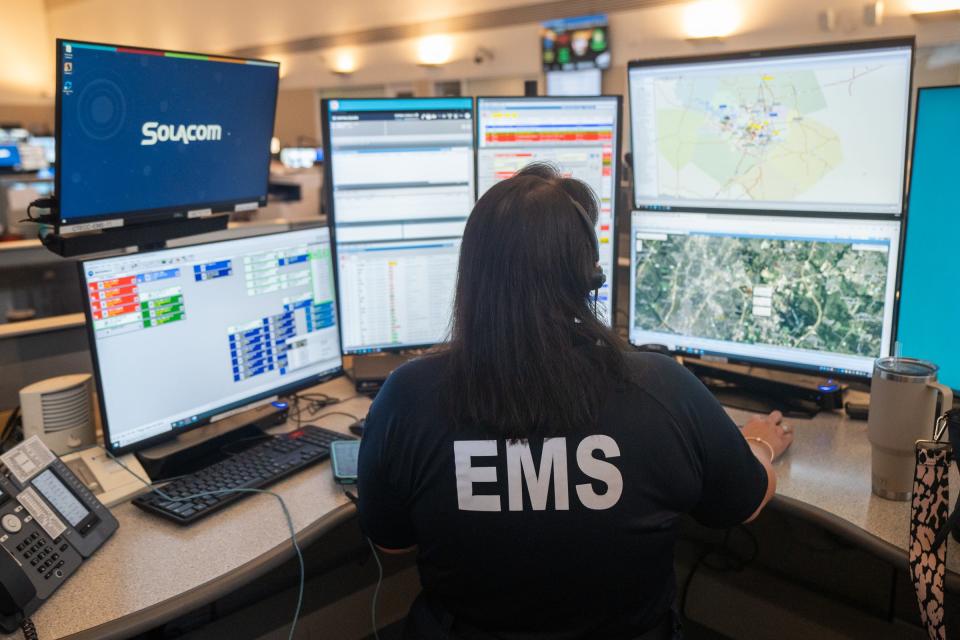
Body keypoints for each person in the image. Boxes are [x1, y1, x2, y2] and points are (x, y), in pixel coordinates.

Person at [357, 163, 793, 639]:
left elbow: (393, 543)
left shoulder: (407, 396)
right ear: (590, 276)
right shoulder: (663, 387)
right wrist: (760, 446)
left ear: (472, 273)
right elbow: (743, 504)